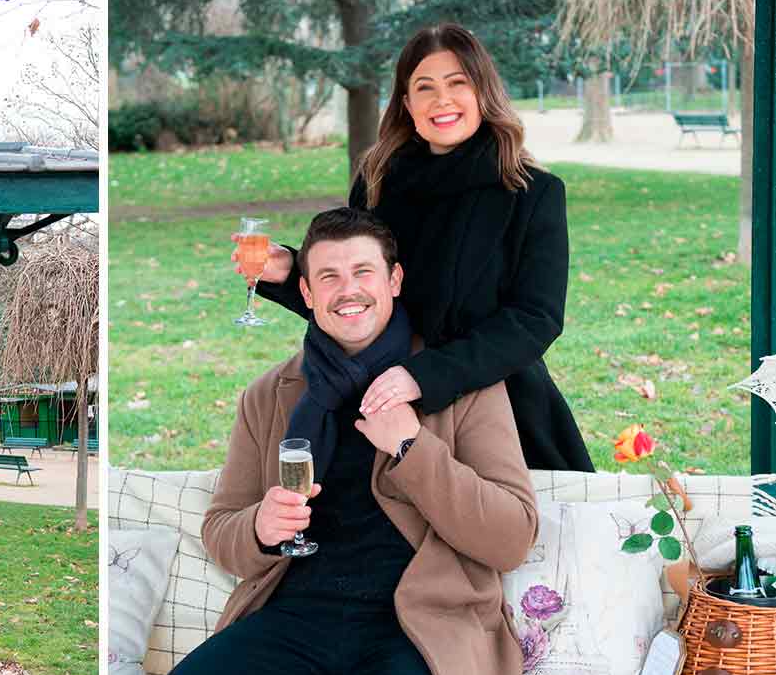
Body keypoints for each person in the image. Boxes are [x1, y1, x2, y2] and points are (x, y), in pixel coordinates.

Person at [122, 208, 538, 675]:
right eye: (331, 277)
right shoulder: (271, 395)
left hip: (417, 624)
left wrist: (410, 447)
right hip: (297, 618)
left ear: (394, 280)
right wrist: (260, 528)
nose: (350, 290)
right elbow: (223, 527)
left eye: (363, 271)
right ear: (308, 293)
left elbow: (511, 537)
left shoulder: (460, 385)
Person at [244, 23, 592, 472]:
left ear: (483, 92)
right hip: (379, 402)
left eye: (457, 83)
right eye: (424, 87)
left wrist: (422, 376)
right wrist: (288, 270)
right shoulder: (378, 186)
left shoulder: (532, 193)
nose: (441, 100)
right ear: (407, 104)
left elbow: (535, 320)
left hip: (500, 403)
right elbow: (362, 294)